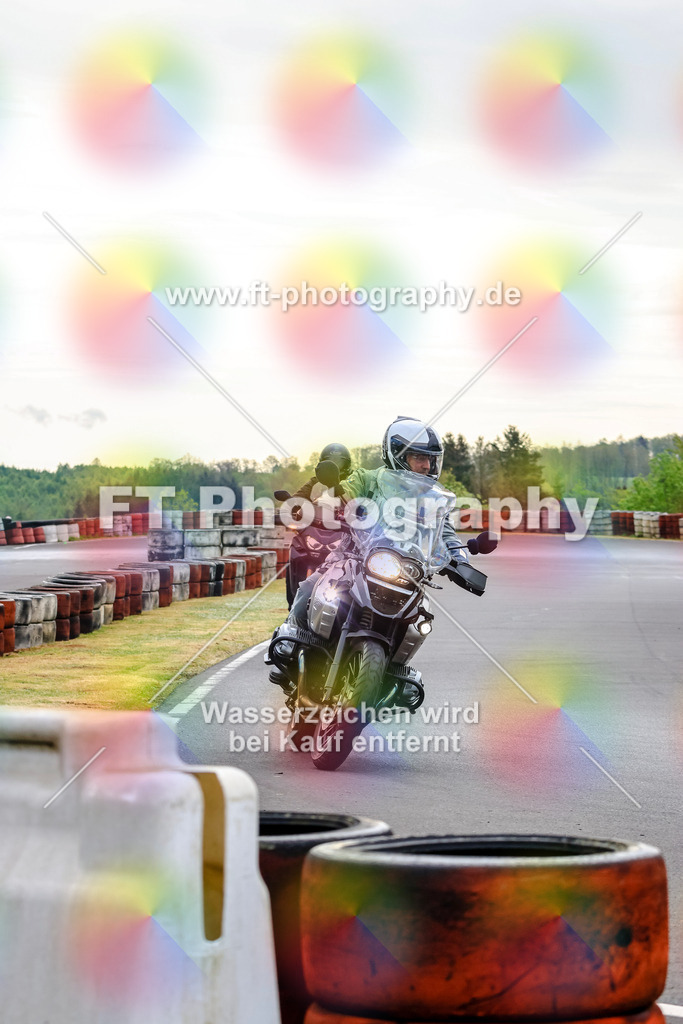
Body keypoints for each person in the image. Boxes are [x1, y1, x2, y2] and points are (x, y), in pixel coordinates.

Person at [268, 418, 465, 691]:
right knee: (310, 586)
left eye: (431, 459)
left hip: (406, 572)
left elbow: (446, 533)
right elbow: (342, 495)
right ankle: (290, 643)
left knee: (419, 618)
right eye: (419, 457)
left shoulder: (433, 499)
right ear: (397, 455)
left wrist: (461, 560)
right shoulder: (368, 479)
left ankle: (396, 670)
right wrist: (321, 508)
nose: (427, 466)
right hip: (354, 558)